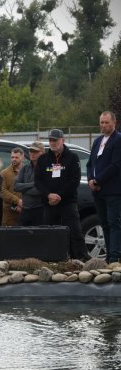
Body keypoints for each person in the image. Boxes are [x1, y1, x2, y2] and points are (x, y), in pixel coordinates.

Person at [35, 129, 89, 261]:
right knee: (49, 233)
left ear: (63, 140)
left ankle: (81, 259)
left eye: (55, 140)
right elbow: (38, 181)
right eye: (50, 140)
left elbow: (74, 180)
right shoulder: (43, 159)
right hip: (49, 204)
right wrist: (49, 195)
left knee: (75, 232)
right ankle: (50, 259)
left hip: (67, 203)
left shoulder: (72, 157)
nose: (52, 143)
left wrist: (59, 195)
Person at [87, 111, 121, 263]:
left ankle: (114, 257)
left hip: (112, 191)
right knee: (104, 224)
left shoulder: (118, 140)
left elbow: (115, 165)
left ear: (114, 123)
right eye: (101, 122)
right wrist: (90, 179)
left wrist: (98, 180)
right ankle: (108, 256)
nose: (104, 125)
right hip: (97, 191)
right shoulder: (97, 141)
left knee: (114, 223)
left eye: (107, 122)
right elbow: (90, 164)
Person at [14, 141, 45, 226]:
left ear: (42, 153)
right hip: (25, 210)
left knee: (38, 237)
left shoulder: (47, 168)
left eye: (35, 151)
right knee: (22, 237)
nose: (32, 153)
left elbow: (41, 190)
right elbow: (16, 186)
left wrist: (24, 189)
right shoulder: (25, 168)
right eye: (31, 151)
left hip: (40, 210)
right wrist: (32, 184)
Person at [0, 147, 25, 226]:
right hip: (9, 215)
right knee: (9, 237)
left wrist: (25, 203)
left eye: (16, 157)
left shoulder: (28, 171)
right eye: (12, 157)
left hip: (26, 212)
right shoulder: (4, 173)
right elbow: (2, 192)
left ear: (23, 158)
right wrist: (18, 201)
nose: (14, 159)